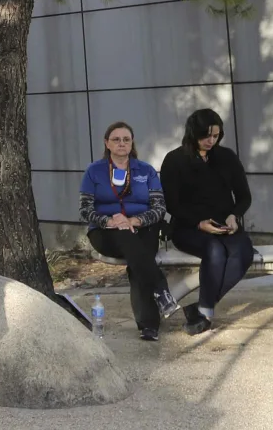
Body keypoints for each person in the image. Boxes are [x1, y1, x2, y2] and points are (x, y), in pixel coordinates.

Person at [78, 122, 176, 341]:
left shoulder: (146, 170)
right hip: (105, 232)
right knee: (127, 238)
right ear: (107, 143)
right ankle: (161, 291)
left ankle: (149, 327)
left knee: (138, 257)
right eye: (116, 139)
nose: (121, 143)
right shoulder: (94, 171)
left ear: (132, 144)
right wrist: (109, 221)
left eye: (126, 139)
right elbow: (84, 210)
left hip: (143, 228)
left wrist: (136, 220)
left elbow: (159, 208)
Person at [159, 108, 253, 335]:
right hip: (188, 227)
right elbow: (172, 204)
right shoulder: (174, 160)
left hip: (224, 226)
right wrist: (198, 223)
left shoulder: (227, 157)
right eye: (206, 136)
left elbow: (243, 197)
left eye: (216, 136)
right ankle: (206, 315)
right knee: (215, 251)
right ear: (193, 133)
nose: (211, 141)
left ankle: (202, 307)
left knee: (244, 253)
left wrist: (234, 215)